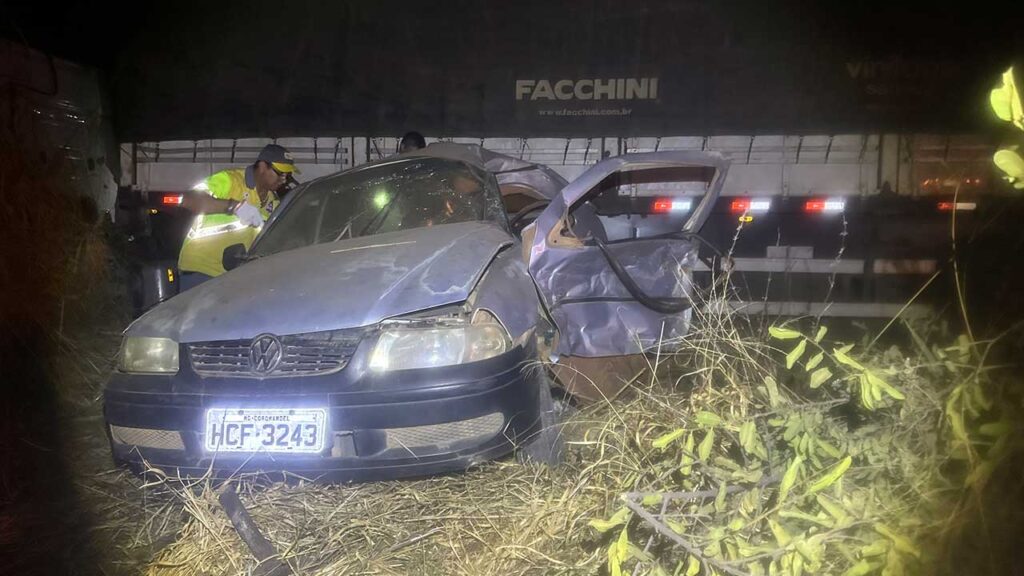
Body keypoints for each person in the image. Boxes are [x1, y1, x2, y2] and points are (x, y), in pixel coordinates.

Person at [177, 144, 298, 290]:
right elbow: (189, 200)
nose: (284, 179)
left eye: (287, 175)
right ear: (262, 166)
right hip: (202, 273)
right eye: (280, 173)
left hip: (234, 277)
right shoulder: (230, 180)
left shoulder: (273, 202)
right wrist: (234, 207)